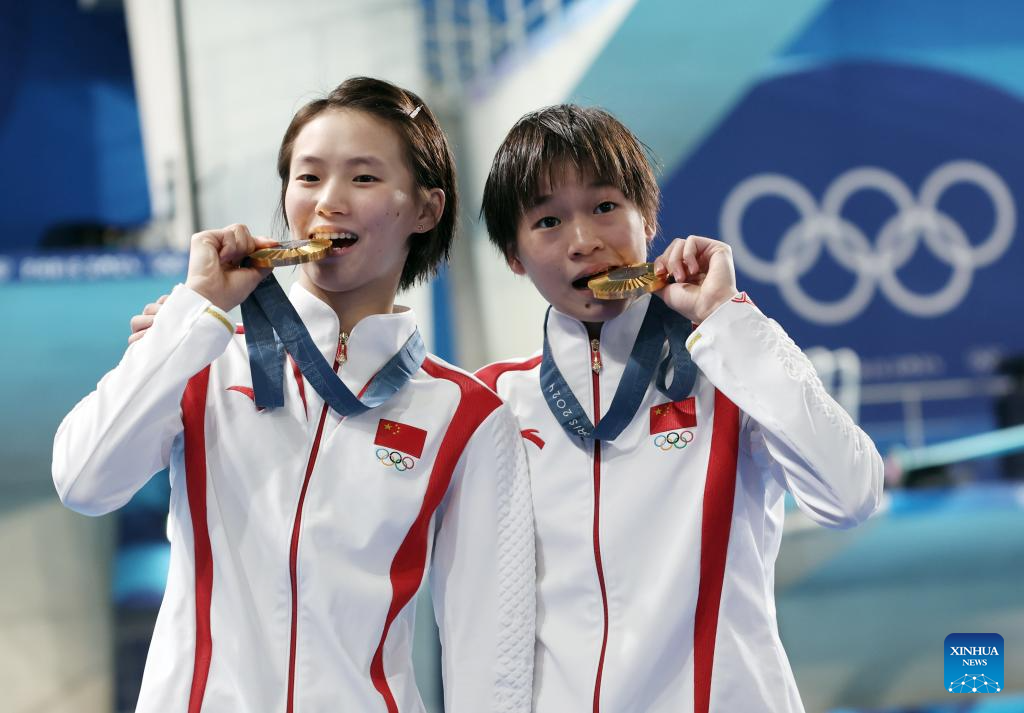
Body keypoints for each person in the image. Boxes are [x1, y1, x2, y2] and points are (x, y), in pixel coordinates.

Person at [53, 77, 535, 713]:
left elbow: (489, 649)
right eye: (308, 178)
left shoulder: (465, 416)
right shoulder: (202, 350)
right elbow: (85, 481)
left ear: (425, 208)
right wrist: (193, 317)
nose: (328, 201)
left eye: (363, 178)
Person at [475, 105, 883, 713]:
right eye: (549, 220)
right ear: (513, 254)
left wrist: (728, 321)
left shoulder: (728, 367)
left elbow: (853, 496)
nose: (584, 241)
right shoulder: (492, 403)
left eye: (605, 206)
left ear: (649, 218)